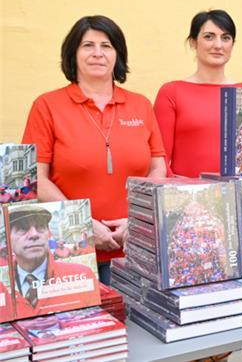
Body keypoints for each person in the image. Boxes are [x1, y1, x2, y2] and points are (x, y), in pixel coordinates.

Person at [21, 15, 166, 284]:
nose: (98, 53)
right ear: (73, 54)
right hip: (71, 252)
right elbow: (35, 179)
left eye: (107, 46)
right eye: (88, 45)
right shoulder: (47, 106)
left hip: (136, 249)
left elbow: (157, 166)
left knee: (139, 326)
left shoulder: (140, 105)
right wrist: (83, 226)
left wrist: (136, 220)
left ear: (118, 55)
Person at [154, 10, 242, 177]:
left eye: (226, 38)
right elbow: (160, 161)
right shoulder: (172, 92)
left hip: (238, 198)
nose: (218, 45)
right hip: (188, 197)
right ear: (193, 42)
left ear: (232, 45)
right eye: (209, 37)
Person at [9, 205, 100, 319]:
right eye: (22, 228)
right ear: (8, 238)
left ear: (48, 233)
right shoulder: (3, 285)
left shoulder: (83, 275)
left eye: (40, 226)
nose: (34, 234)